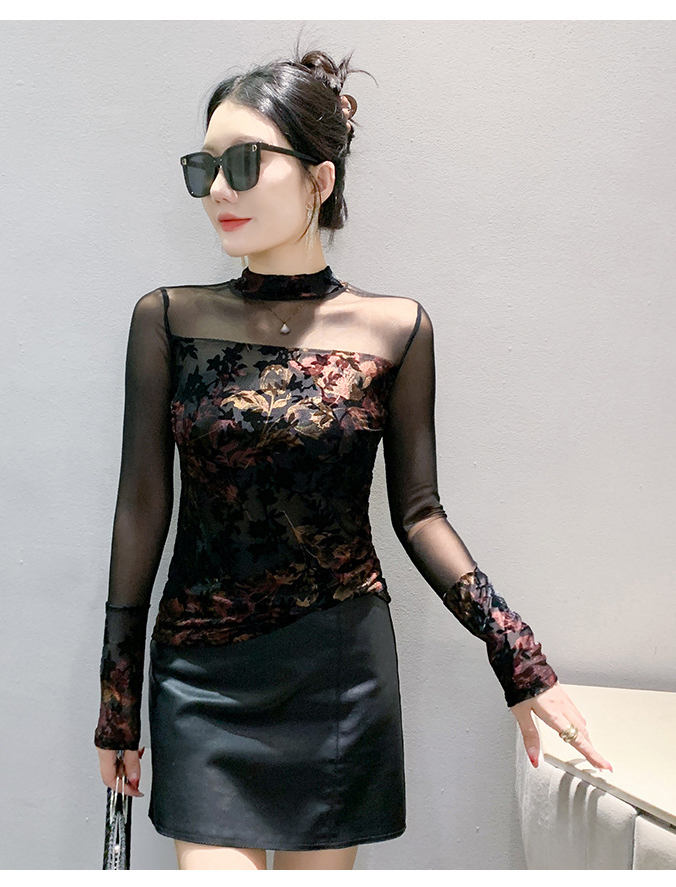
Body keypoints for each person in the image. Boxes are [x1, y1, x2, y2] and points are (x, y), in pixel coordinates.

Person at [94, 46, 613, 871]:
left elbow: (419, 513)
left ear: (319, 179)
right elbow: (141, 508)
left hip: (337, 666)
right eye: (205, 167)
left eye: (243, 162)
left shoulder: (396, 329)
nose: (220, 188)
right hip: (201, 672)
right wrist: (117, 699)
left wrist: (519, 657)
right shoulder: (166, 319)